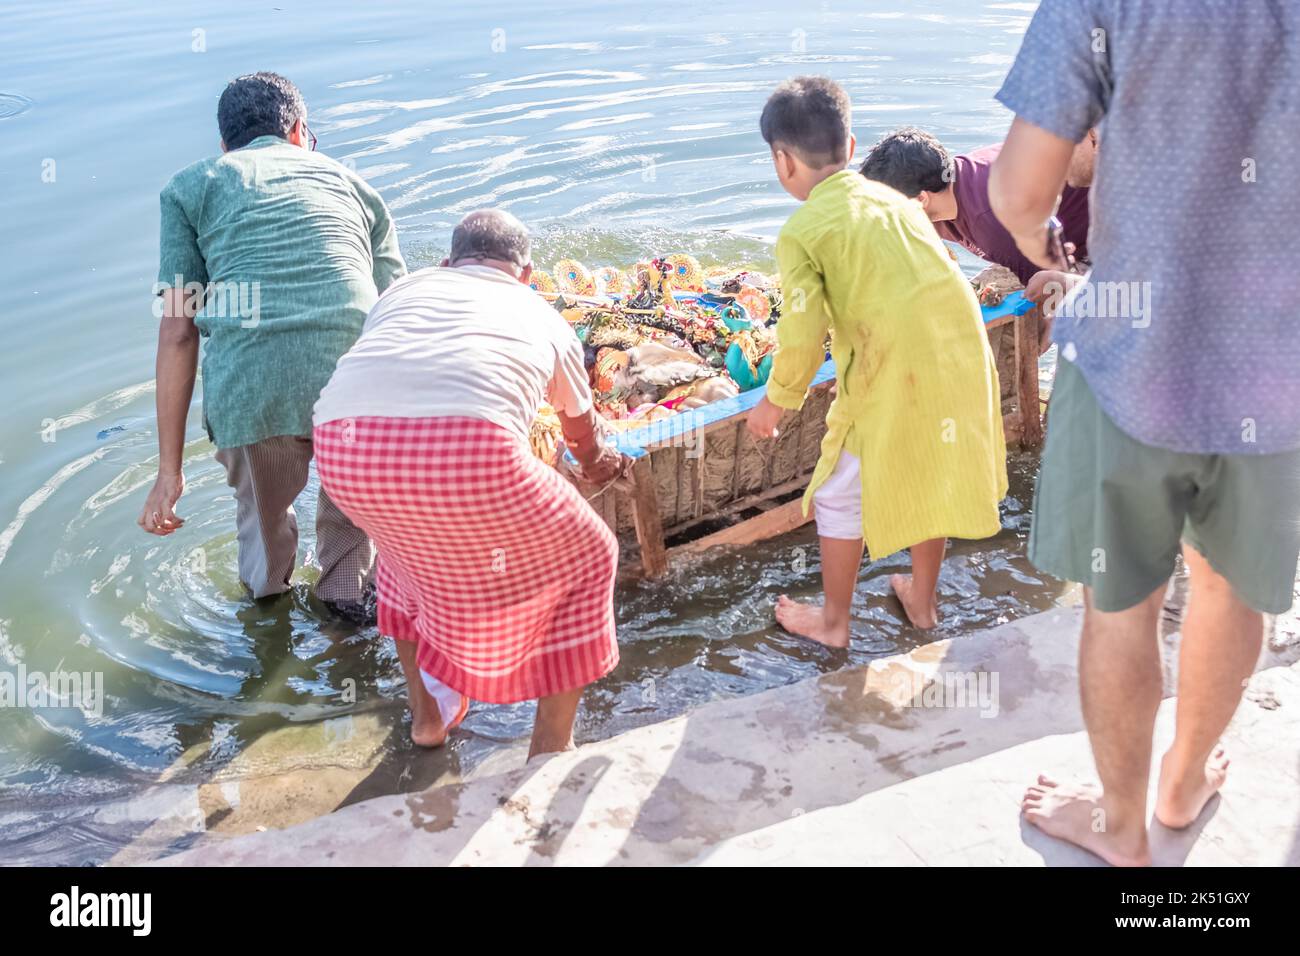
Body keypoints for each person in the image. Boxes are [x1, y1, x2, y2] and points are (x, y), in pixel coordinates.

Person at [989, 0, 1300, 866]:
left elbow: (1018, 191)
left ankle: (1119, 825)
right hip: (1280, 380)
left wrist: (1039, 243)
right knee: (1230, 589)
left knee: (1120, 607)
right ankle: (1184, 781)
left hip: (1135, 366)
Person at [312, 209, 627, 756]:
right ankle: (551, 744)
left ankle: (427, 720)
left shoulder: (404, 290)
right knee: (593, 554)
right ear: (526, 275)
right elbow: (581, 434)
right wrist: (601, 466)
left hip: (344, 448)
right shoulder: (539, 311)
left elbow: (389, 375)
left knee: (400, 568)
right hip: (467, 446)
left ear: (446, 263)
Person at [746, 76, 1007, 642]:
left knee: (839, 493)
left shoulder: (804, 231)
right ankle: (923, 602)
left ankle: (834, 623)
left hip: (896, 373)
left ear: (782, 162)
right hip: (961, 360)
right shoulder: (899, 203)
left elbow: (802, 330)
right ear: (850, 145)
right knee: (930, 475)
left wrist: (777, 400)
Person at [139, 72, 405, 622]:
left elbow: (178, 328)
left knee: (263, 543)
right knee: (352, 535)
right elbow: (397, 309)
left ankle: (268, 636)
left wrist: (169, 469)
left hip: (252, 392)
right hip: (355, 384)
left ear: (224, 145)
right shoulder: (356, 186)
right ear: (300, 132)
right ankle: (348, 623)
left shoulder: (190, 186)